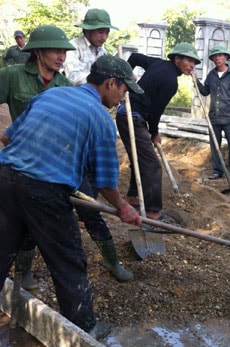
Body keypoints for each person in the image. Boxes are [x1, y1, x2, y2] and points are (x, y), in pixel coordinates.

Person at [0, 55, 143, 337]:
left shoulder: (50, 95)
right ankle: (84, 329)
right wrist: (124, 208)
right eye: (124, 92)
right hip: (45, 191)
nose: (122, 100)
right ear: (111, 83)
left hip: (5, 177)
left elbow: (9, 137)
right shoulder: (100, 118)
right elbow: (104, 181)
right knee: (68, 259)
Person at [0, 25, 133, 286]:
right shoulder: (12, 76)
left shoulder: (62, 85)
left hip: (69, 162)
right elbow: (11, 133)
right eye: (55, 51)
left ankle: (112, 262)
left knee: (91, 211)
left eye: (64, 52)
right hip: (32, 161)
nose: (61, 56)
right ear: (38, 51)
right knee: (28, 219)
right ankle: (23, 272)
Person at [116, 43, 201, 221]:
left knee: (139, 159)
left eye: (194, 62)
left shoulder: (158, 64)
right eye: (189, 60)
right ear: (177, 59)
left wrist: (127, 75)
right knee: (152, 165)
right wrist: (154, 133)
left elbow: (134, 58)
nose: (192, 65)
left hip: (126, 114)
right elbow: (155, 112)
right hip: (133, 116)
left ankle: (132, 197)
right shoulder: (170, 82)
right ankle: (153, 212)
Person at [196, 45, 230, 182]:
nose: (217, 58)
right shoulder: (211, 75)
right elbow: (205, 91)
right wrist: (196, 80)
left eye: (220, 55)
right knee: (215, 146)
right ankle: (217, 171)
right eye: (215, 56)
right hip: (214, 117)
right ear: (212, 59)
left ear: (225, 57)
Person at [63, 8, 118, 86]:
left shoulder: (102, 52)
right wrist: (101, 80)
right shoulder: (73, 47)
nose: (104, 37)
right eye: (101, 32)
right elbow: (73, 77)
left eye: (107, 33)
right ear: (87, 30)